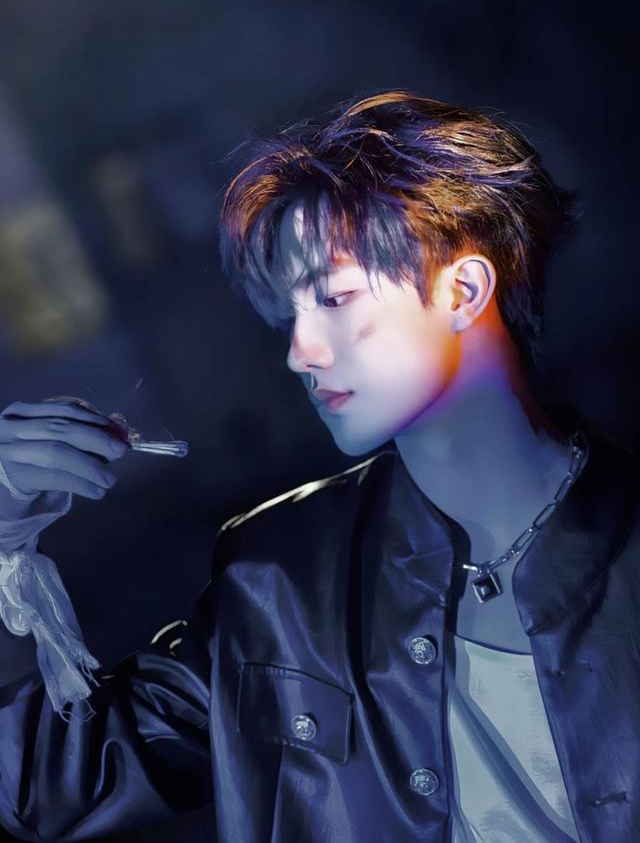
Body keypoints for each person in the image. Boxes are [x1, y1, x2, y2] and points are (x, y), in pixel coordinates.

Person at [0, 90, 638, 843]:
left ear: (463, 291)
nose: (300, 353)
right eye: (289, 315)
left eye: (335, 298)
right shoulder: (279, 580)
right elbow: (42, 782)